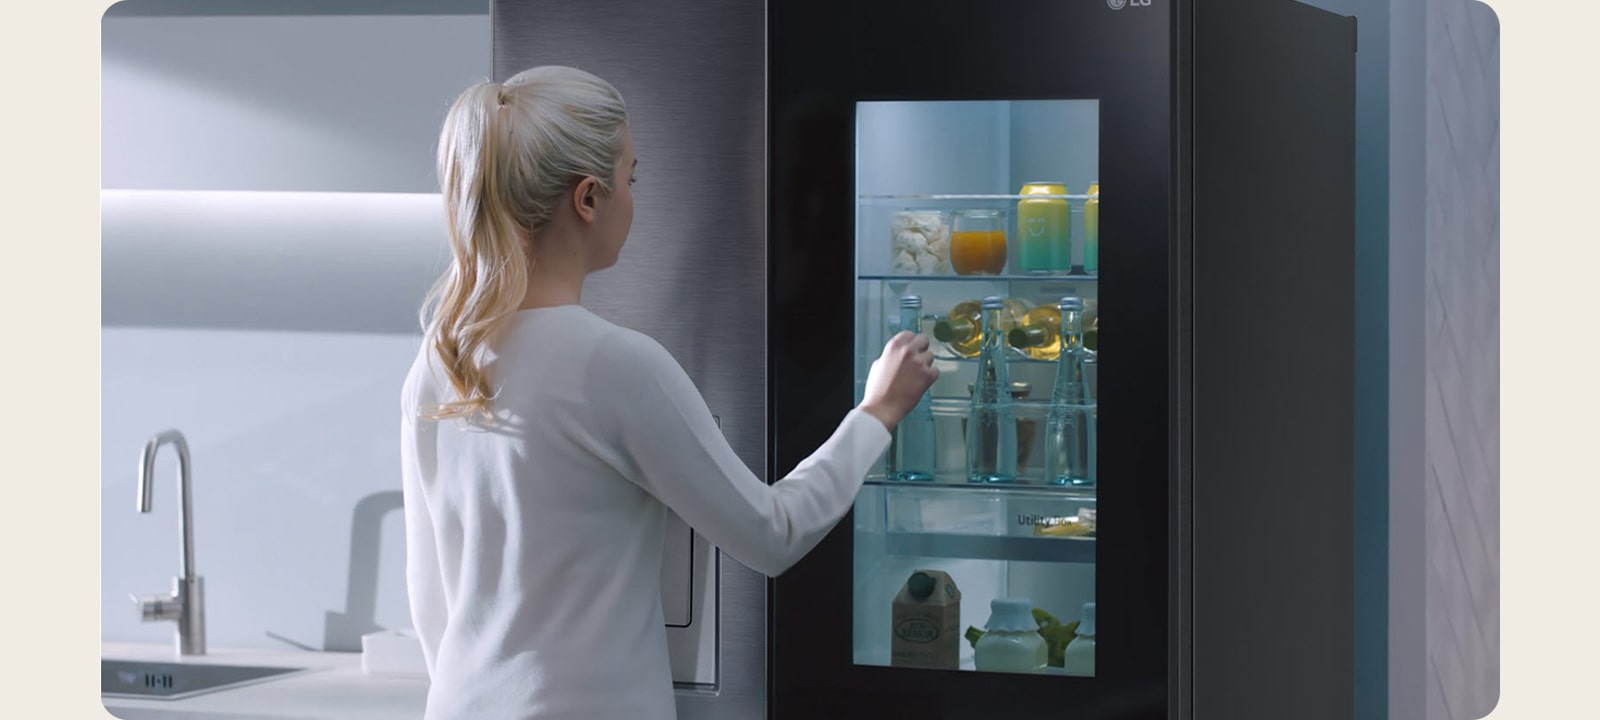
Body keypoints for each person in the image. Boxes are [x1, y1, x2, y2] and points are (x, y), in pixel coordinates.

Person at [399, 65, 938, 720]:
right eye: (632, 177)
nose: (634, 196)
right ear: (588, 198)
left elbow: (429, 596)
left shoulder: (441, 359)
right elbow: (773, 533)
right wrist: (878, 411)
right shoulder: (613, 364)